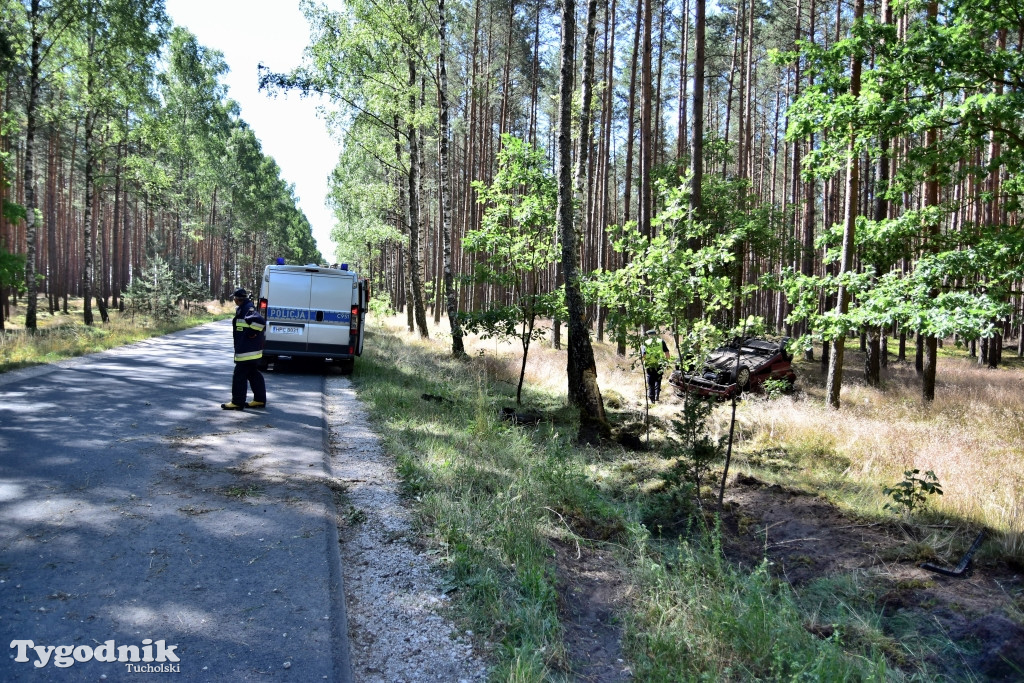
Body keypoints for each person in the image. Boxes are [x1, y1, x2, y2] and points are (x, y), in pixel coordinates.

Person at [221, 288, 267, 410]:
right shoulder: (245, 308)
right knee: (253, 374)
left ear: (237, 299)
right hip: (251, 350)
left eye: (234, 298)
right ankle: (259, 400)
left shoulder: (247, 309)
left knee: (239, 375)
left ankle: (237, 401)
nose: (234, 300)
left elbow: (260, 322)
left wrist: (251, 333)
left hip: (247, 351)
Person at [641, 330, 670, 404]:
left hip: (650, 365)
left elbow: (644, 355)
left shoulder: (646, 343)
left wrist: (644, 361)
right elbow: (667, 353)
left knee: (651, 382)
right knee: (658, 379)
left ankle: (652, 399)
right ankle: (657, 395)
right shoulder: (661, 341)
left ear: (648, 335)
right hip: (660, 364)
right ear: (655, 335)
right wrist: (667, 363)